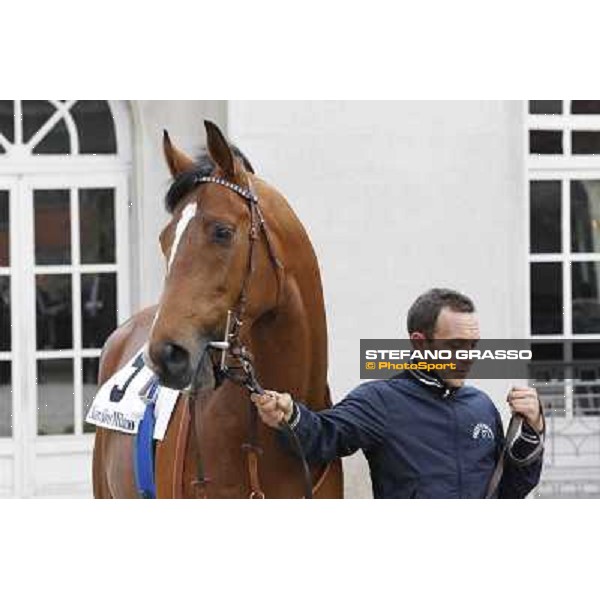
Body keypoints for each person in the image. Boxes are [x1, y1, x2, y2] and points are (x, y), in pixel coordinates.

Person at [251, 288, 544, 498]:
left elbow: (510, 492)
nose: (468, 357)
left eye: (474, 345)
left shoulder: (482, 406)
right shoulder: (380, 400)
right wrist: (290, 415)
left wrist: (532, 429)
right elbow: (325, 435)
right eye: (456, 346)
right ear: (420, 344)